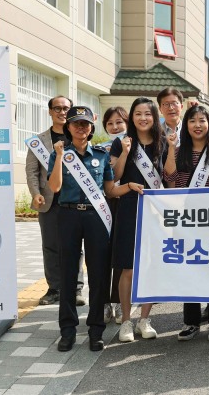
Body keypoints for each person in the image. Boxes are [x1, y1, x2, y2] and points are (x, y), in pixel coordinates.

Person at [47, 106, 122, 352]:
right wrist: (59, 157)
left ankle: (95, 329)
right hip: (67, 215)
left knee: (99, 274)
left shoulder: (101, 155)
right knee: (68, 274)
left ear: (92, 127)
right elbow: (55, 187)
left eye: (86, 123)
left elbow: (110, 190)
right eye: (76, 123)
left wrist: (130, 186)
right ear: (68, 127)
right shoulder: (59, 154)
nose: (81, 127)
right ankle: (67, 331)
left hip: (95, 216)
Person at [164, 104, 209, 343]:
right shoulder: (180, 151)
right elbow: (170, 177)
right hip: (186, 220)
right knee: (189, 269)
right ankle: (191, 321)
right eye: (192, 121)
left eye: (202, 120)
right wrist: (171, 147)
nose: (197, 125)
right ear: (187, 125)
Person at [110, 97, 167, 343]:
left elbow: (170, 176)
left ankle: (145, 318)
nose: (143, 118)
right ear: (131, 117)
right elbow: (115, 175)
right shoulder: (121, 142)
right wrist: (124, 152)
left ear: (154, 117)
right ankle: (125, 320)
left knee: (151, 266)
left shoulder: (163, 142)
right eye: (138, 114)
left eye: (148, 114)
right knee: (128, 268)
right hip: (130, 207)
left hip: (156, 209)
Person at [25, 95, 85, 306]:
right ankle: (54, 289)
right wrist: (34, 193)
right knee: (50, 245)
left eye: (66, 108)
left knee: (75, 246)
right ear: (50, 112)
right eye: (57, 108)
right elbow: (32, 171)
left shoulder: (79, 134)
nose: (62, 112)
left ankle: (76, 290)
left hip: (75, 200)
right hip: (49, 201)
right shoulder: (38, 141)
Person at [101, 106, 128, 325]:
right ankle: (103, 302)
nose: (115, 126)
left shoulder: (133, 144)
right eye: (110, 123)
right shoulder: (98, 149)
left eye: (119, 121)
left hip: (125, 203)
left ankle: (119, 301)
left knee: (121, 253)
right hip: (105, 204)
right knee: (101, 253)